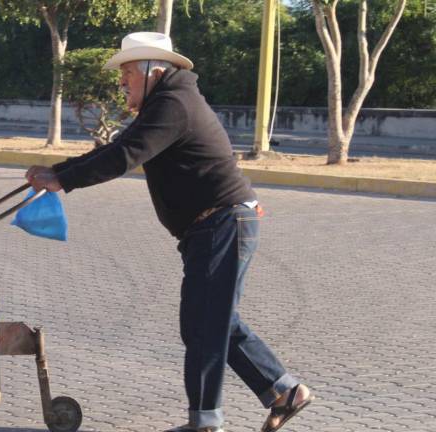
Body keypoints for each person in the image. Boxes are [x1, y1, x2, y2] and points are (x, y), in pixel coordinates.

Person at [25, 32, 314, 432]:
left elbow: (126, 156)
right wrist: (59, 171)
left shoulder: (174, 103)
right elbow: (115, 148)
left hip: (222, 223)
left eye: (127, 72)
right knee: (213, 319)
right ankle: (285, 391)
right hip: (216, 225)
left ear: (152, 69)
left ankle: (206, 423)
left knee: (203, 324)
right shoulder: (166, 102)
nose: (122, 81)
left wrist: (63, 178)